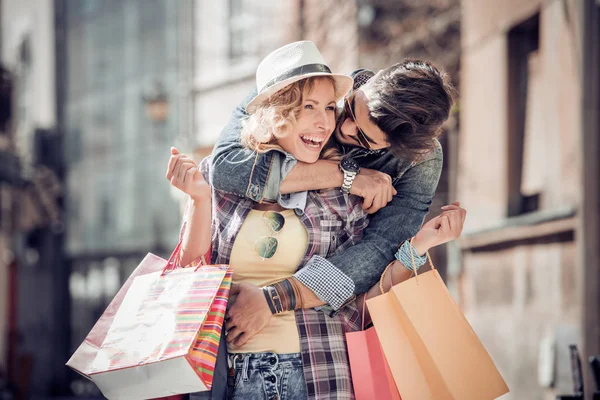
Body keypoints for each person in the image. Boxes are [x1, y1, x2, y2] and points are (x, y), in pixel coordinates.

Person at [166, 41, 465, 400]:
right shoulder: (309, 80)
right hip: (230, 373)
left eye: (362, 136)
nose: (339, 124)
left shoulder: (400, 174)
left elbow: (373, 264)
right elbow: (222, 174)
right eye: (348, 108)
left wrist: (274, 299)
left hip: (319, 370)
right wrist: (349, 175)